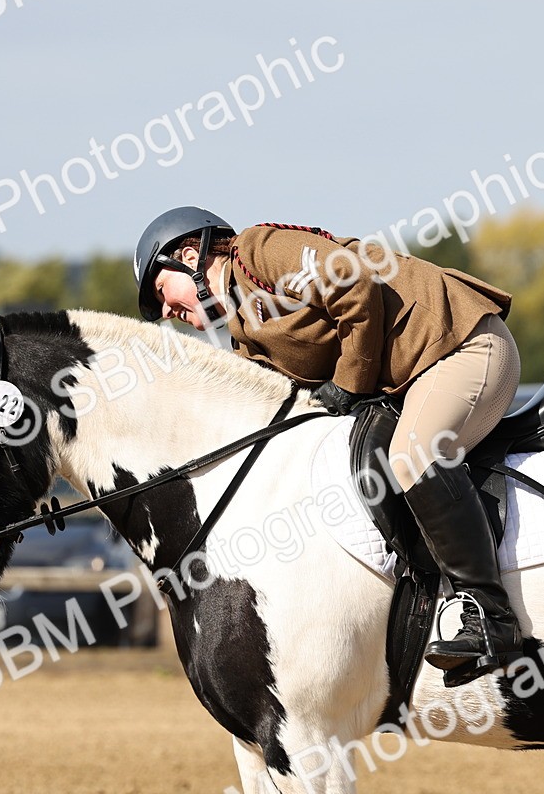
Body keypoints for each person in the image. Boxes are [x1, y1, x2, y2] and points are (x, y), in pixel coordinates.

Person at [133, 206, 522, 684]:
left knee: (411, 457)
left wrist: (347, 384)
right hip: (412, 380)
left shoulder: (257, 251)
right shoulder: (244, 333)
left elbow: (354, 285)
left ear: (190, 256)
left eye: (161, 292)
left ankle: (490, 616)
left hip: (462, 344)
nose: (166, 312)